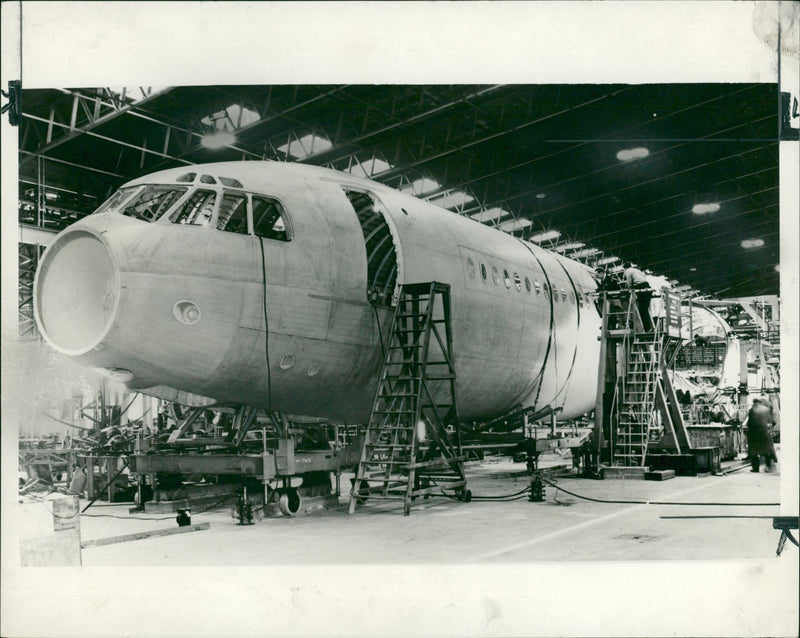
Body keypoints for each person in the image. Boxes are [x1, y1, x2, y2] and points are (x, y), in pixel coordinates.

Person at [744, 396, 778, 472]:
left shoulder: (752, 410)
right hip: (765, 433)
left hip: (755, 434)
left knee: (754, 452)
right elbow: (772, 421)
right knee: (766, 450)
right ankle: (769, 466)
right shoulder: (766, 409)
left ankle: (755, 468)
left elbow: (750, 422)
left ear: (754, 403)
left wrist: (748, 431)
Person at [623, 261, 653, 331]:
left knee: (642, 310)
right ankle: (648, 328)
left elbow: (629, 284)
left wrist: (627, 290)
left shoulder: (628, 271)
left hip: (641, 288)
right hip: (647, 287)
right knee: (645, 309)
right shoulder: (637, 270)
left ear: (625, 268)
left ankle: (646, 328)